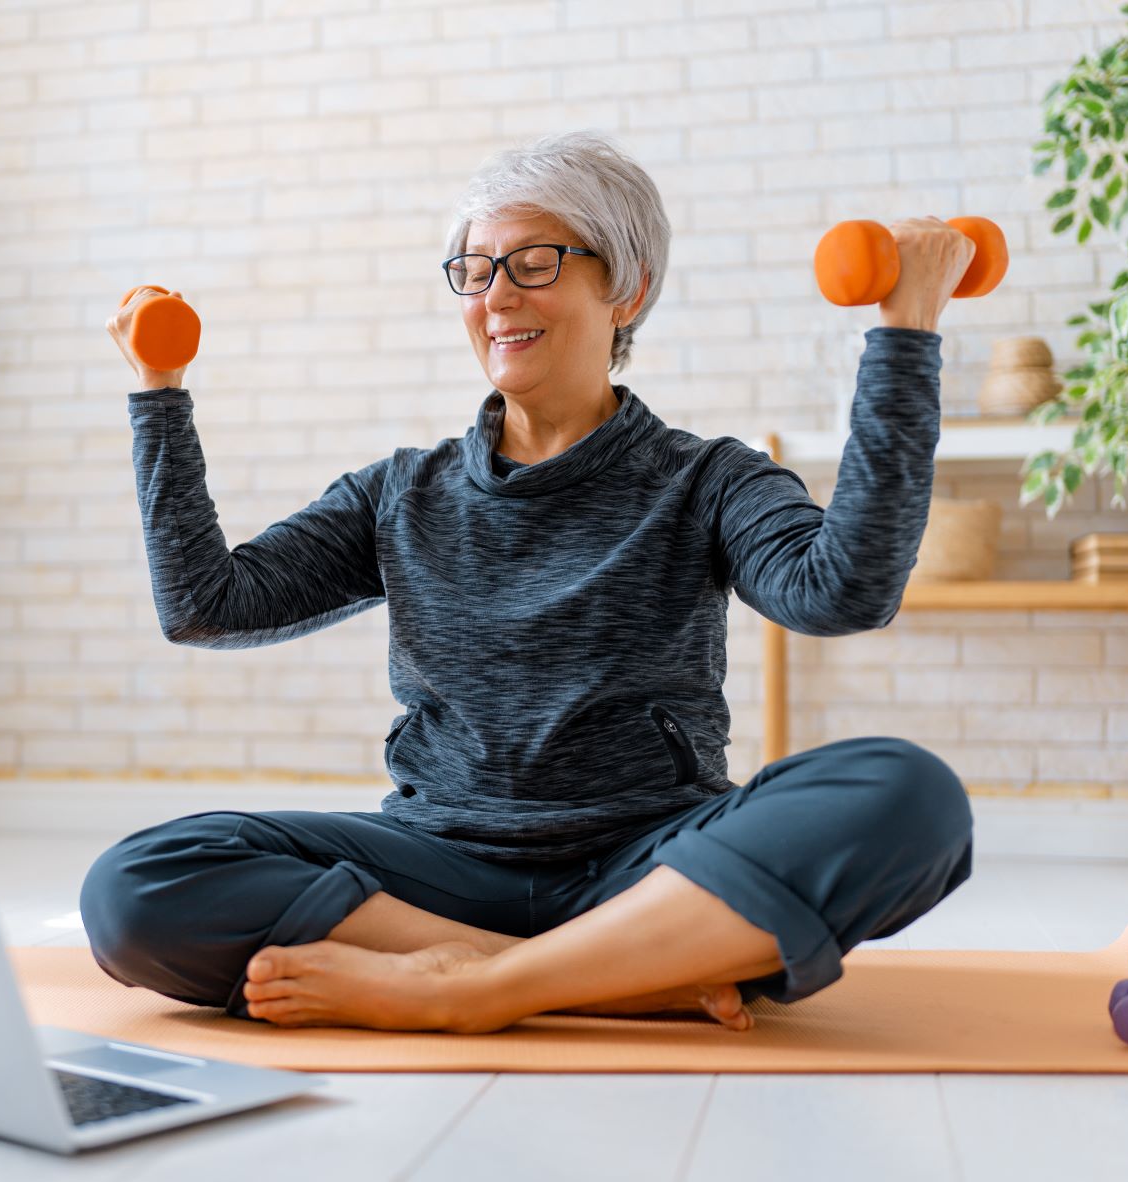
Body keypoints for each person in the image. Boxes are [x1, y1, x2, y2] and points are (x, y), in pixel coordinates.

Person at [86, 129, 978, 1034]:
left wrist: (902, 334)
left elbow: (842, 593)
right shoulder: (403, 493)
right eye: (473, 271)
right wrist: (160, 392)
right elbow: (208, 606)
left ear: (623, 289)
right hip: (435, 871)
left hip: (649, 866)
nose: (496, 296)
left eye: (534, 262)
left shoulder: (709, 479)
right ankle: (595, 976)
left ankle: (469, 989)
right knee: (134, 886)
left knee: (911, 795)